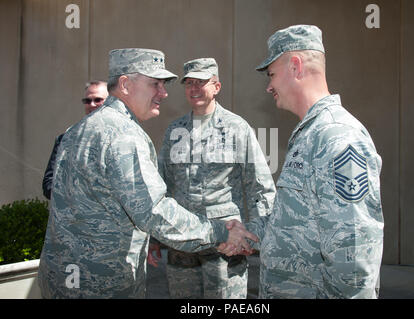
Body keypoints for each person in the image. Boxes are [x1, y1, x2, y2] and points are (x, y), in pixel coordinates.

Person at [37, 48, 257, 299]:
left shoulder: (78, 129)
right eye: (155, 84)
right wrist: (220, 233)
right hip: (101, 284)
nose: (163, 93)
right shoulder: (123, 135)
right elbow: (153, 210)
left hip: (62, 279)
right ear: (125, 84)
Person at [219, 25, 384, 299]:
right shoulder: (311, 133)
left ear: (295, 66)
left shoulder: (337, 137)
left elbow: (353, 257)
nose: (269, 86)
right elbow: (298, 220)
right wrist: (250, 233)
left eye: (271, 74)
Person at [148, 58, 276, 298]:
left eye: (201, 82)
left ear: (217, 86)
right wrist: (155, 238)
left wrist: (255, 236)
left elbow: (260, 187)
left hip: (226, 244)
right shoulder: (175, 130)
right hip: (182, 245)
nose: (194, 89)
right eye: (189, 83)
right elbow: (160, 185)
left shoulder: (237, 128)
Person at [42, 81, 108, 200]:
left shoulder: (120, 138)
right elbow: (48, 184)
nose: (92, 104)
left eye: (98, 100)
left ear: (110, 102)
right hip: (72, 216)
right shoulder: (66, 138)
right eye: (87, 101)